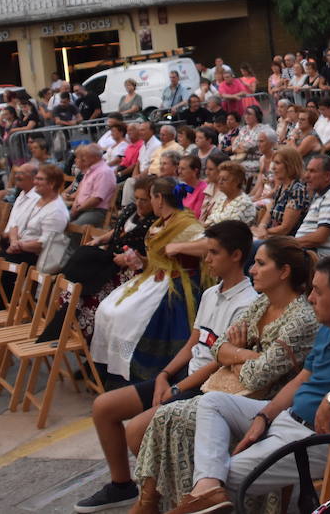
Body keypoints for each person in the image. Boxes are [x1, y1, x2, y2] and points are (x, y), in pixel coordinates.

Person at [169, 254, 330, 514]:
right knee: (212, 403)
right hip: (288, 420)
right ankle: (206, 488)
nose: (310, 298)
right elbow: (301, 379)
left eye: (317, 291)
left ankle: (207, 492)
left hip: (318, 440)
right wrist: (264, 415)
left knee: (226, 477)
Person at [74, 220, 261, 514]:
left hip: (205, 386)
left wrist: (176, 387)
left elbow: (218, 362)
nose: (207, 259)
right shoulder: (212, 293)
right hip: (184, 377)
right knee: (104, 407)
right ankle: (122, 485)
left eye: (213, 253)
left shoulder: (248, 302)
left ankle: (159, 497)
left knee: (136, 431)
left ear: (236, 255)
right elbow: (194, 341)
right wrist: (163, 375)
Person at [91, 177, 205, 382]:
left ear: (159, 198)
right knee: (107, 309)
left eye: (151, 198)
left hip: (176, 284)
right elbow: (154, 261)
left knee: (124, 317)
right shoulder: (160, 224)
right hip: (153, 278)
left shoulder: (187, 225)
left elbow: (209, 245)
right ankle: (111, 367)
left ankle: (131, 371)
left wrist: (179, 247)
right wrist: (141, 261)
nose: (150, 203)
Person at [294, 154, 330, 256]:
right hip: (307, 254)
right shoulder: (322, 195)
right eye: (307, 170)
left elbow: (320, 237)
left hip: (318, 260)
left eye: (312, 171)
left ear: (327, 176)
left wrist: (290, 243)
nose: (306, 176)